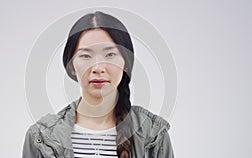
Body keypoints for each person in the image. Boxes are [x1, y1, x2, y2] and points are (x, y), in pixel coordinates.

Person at [23, 11, 174, 158]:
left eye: (110, 55)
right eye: (86, 56)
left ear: (126, 64)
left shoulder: (153, 135)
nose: (98, 68)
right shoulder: (41, 137)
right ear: (71, 67)